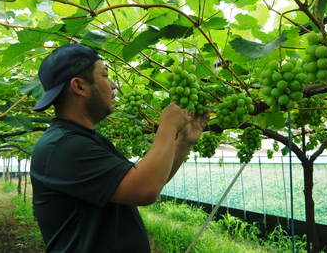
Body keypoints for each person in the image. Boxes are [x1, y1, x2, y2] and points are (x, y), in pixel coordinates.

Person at [30, 43, 208, 253]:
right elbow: (145, 190)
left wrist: (183, 143)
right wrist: (167, 127)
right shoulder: (62, 147)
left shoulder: (84, 140)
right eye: (105, 75)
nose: (114, 85)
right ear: (79, 86)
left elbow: (142, 182)